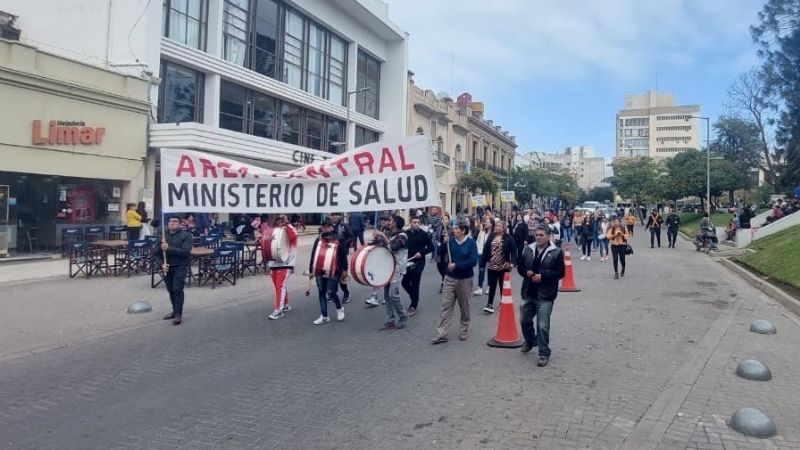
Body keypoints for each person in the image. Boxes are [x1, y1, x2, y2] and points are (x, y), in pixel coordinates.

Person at [517, 225, 565, 367]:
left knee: (542, 325)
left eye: (541, 235)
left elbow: (561, 273)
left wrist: (543, 276)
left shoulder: (556, 252)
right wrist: (525, 272)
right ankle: (531, 341)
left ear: (548, 236)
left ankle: (544, 353)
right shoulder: (528, 249)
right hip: (528, 292)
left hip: (546, 295)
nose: (538, 237)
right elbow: (520, 266)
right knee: (524, 320)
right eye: (537, 235)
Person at [431, 222, 478, 344]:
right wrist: (444, 243)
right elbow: (439, 252)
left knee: (464, 306)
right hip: (449, 278)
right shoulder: (450, 241)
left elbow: (473, 261)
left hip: (465, 279)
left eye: (456, 228)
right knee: (446, 306)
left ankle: (464, 329)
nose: (453, 230)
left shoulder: (471, 243)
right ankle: (442, 333)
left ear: (463, 231)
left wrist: (457, 265)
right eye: (454, 228)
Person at [155, 216, 193, 325]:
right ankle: (174, 310)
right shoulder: (163, 236)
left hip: (180, 266)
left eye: (175, 221)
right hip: (167, 267)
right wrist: (161, 264)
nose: (172, 223)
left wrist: (169, 248)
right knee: (170, 289)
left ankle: (178, 314)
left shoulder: (186, 236)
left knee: (177, 289)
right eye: (170, 221)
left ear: (180, 224)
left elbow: (185, 252)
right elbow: (156, 253)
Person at [308, 219, 348, 325]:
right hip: (319, 269)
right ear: (321, 228)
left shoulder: (339, 238)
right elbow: (314, 255)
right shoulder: (318, 239)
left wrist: (345, 269)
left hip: (334, 269)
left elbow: (343, 255)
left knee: (331, 291)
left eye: (328, 226)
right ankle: (324, 316)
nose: (326, 228)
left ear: (331, 227)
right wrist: (311, 270)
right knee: (321, 292)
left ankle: (339, 309)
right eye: (324, 226)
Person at [373, 215, 409, 330]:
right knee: (387, 296)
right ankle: (390, 320)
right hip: (388, 268)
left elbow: (392, 247)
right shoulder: (390, 233)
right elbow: (381, 246)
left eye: (391, 221)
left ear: (396, 224)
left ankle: (403, 316)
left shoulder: (402, 236)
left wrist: (383, 236)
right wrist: (377, 238)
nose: (389, 222)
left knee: (393, 294)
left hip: (397, 269)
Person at [265, 215, 298, 320]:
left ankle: (278, 311)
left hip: (285, 263)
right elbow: (267, 242)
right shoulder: (274, 231)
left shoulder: (289, 230)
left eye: (282, 221)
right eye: (278, 221)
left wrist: (287, 223)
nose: (280, 223)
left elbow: (294, 235)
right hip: (273, 263)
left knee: (280, 285)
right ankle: (286, 304)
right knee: (278, 286)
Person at [481, 218, 516, 313]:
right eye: (496, 226)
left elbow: (513, 250)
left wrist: (512, 262)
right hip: (492, 265)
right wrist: (482, 264)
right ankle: (489, 304)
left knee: (502, 286)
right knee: (492, 285)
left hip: (503, 266)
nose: (497, 227)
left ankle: (502, 303)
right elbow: (486, 249)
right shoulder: (491, 236)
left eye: (499, 226)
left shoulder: (508, 237)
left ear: (503, 228)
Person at [402, 216, 434, 317]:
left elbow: (431, 247)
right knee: (404, 282)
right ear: (410, 223)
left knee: (415, 282)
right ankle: (414, 297)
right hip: (407, 261)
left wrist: (421, 253)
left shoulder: (423, 234)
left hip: (419, 262)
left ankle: (413, 305)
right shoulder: (405, 234)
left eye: (418, 222)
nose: (416, 224)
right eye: (414, 222)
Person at [364, 213, 393, 306]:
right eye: (382, 220)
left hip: (388, 256)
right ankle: (374, 297)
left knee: (387, 277)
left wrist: (382, 235)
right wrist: (374, 240)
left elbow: (390, 244)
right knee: (376, 275)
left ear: (389, 221)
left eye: (385, 220)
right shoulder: (380, 229)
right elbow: (378, 242)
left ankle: (386, 297)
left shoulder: (391, 230)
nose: (383, 222)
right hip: (380, 255)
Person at [329, 213, 354, 303]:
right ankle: (333, 294)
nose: (334, 216)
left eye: (336, 214)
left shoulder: (344, 226)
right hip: (330, 255)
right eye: (332, 215)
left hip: (341, 254)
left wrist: (342, 244)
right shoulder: (327, 226)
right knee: (331, 275)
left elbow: (351, 237)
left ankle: (346, 293)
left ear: (339, 216)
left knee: (341, 275)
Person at [473, 216, 491, 295]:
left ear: (491, 224)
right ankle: (479, 288)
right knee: (481, 270)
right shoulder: (482, 232)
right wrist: (478, 250)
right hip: (481, 254)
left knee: (490, 271)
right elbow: (477, 241)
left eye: (487, 222)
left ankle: (489, 287)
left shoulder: (493, 233)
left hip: (490, 255)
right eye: (485, 222)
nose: (485, 223)